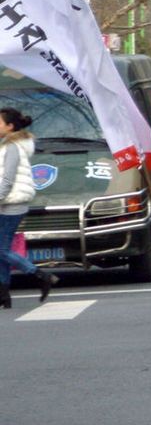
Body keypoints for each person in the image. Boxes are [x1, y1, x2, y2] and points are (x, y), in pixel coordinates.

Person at [0, 108, 57, 308]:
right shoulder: (10, 145)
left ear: (10, 126)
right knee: (2, 251)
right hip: (9, 204)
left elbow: (6, 180)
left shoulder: (12, 147)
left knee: (2, 250)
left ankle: (40, 275)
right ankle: (4, 295)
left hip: (10, 204)